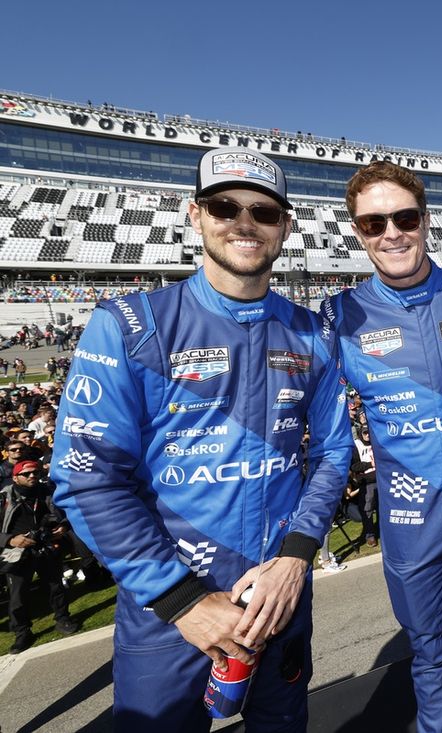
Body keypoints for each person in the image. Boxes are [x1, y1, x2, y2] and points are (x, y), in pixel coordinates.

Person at [51, 147, 353, 732]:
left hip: (279, 594)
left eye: (263, 212)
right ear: (196, 216)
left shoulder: (312, 331)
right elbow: (88, 476)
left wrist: (295, 559)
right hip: (168, 609)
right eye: (225, 206)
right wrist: (181, 600)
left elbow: (335, 451)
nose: (245, 223)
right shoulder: (130, 325)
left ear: (285, 226)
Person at [322, 160, 442, 733]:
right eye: (374, 223)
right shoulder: (340, 315)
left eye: (404, 217)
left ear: (425, 220)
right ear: (358, 232)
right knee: (428, 644)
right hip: (408, 513)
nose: (391, 233)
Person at [1, 459, 80, 653]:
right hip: (17, 552)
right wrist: (10, 540)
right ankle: (22, 633)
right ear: (15, 477)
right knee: (17, 597)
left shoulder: (47, 492)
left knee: (55, 587)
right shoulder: (4, 498)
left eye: (35, 473)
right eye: (26, 474)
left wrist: (62, 527)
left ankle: (63, 619)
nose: (32, 476)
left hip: (46, 546)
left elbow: (65, 514)